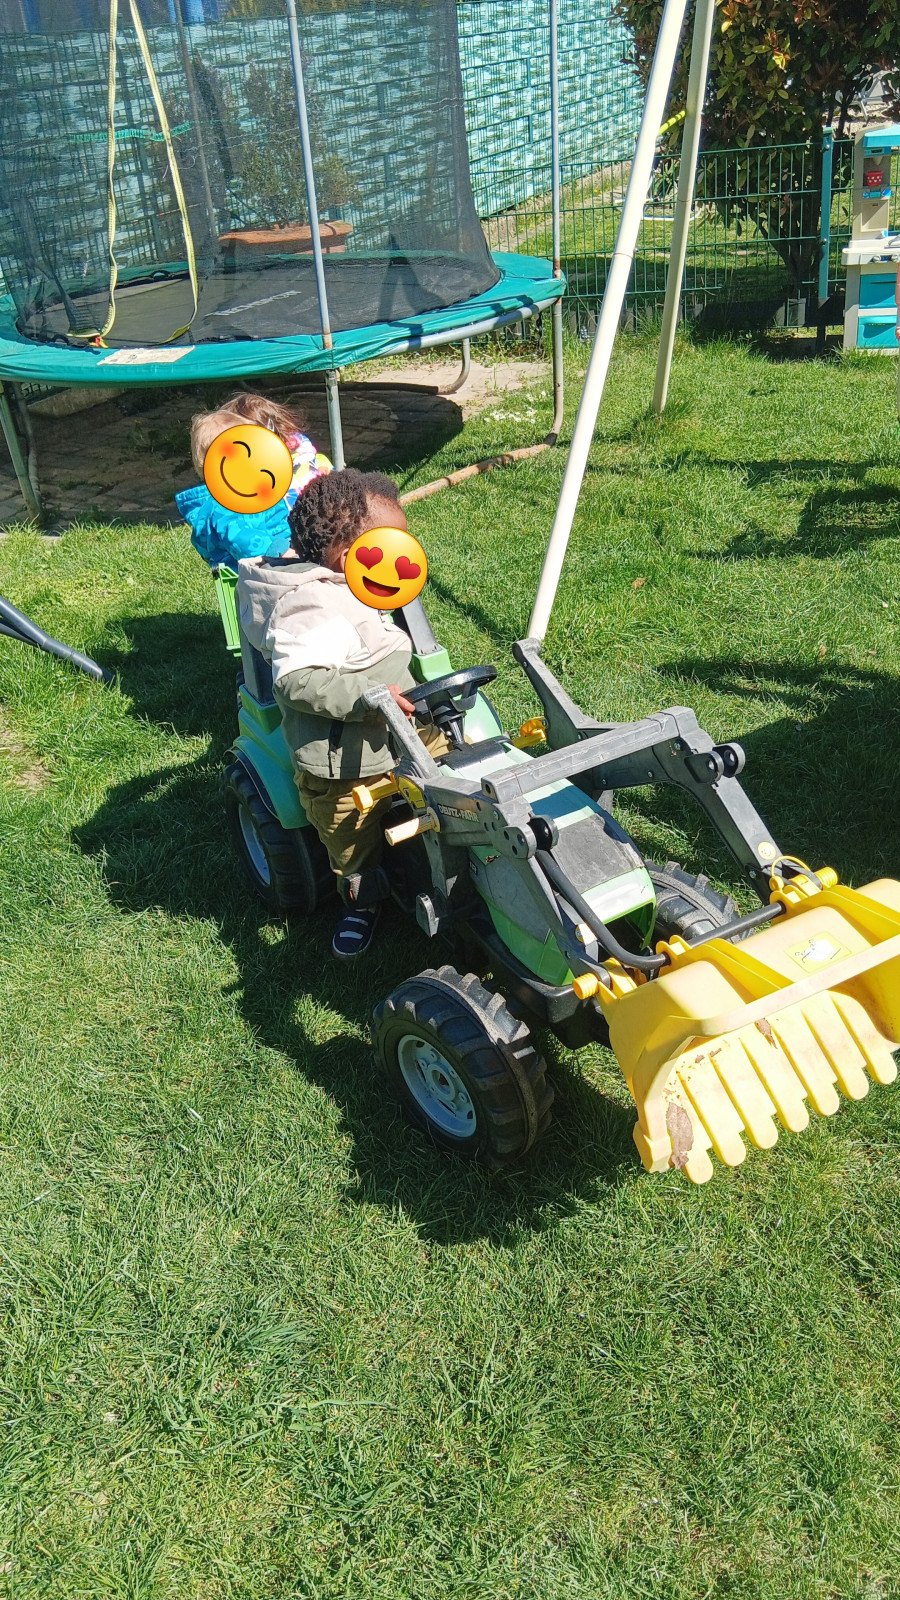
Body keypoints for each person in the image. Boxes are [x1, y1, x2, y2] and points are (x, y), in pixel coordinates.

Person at [237, 468, 447, 958]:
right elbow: (296, 681)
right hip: (345, 764)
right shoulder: (308, 608)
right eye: (393, 545)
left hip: (401, 729)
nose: (405, 557)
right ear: (351, 557)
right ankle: (362, 901)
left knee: (456, 781)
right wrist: (370, 694)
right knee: (352, 842)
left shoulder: (360, 585)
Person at [176, 392, 331, 571]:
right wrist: (280, 552)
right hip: (265, 571)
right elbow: (242, 539)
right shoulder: (228, 504)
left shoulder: (248, 494)